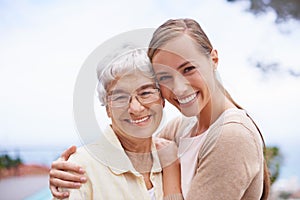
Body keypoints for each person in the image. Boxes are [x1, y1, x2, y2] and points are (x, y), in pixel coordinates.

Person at [50, 18, 270, 200]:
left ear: (213, 59)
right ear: (106, 106)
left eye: (189, 68)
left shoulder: (231, 135)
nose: (179, 88)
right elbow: (137, 145)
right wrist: (67, 168)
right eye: (165, 77)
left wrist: (172, 166)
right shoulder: (181, 128)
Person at [51, 46, 183, 200]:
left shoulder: (173, 154)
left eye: (146, 93)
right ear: (107, 109)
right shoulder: (79, 167)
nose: (136, 108)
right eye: (120, 97)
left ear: (162, 100)